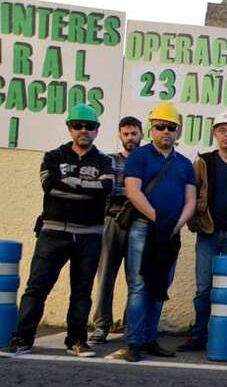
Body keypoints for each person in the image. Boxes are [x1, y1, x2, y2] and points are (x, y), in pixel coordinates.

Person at [0, 104, 113, 358]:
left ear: (97, 130)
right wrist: (88, 187)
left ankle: (77, 340)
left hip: (90, 234)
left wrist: (71, 184)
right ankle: (22, 339)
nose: (83, 130)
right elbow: (50, 186)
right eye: (78, 126)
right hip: (53, 232)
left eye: (89, 126)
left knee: (82, 290)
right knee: (37, 287)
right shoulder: (53, 156)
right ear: (69, 128)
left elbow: (104, 190)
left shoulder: (104, 161)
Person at [122, 102, 196, 363]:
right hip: (143, 229)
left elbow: (191, 200)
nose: (166, 132)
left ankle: (150, 339)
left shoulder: (185, 164)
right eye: (160, 127)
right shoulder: (139, 156)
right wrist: (158, 219)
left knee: (160, 286)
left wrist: (175, 225)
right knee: (140, 285)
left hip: (170, 233)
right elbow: (133, 191)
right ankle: (133, 342)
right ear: (151, 129)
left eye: (171, 128)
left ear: (177, 132)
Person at [178, 112, 227, 352]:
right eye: (222, 130)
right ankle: (198, 336)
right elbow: (191, 193)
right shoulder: (203, 161)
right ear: (215, 134)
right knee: (204, 287)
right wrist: (193, 222)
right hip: (208, 233)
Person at [89, 116, 143, 343]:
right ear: (120, 136)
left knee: (137, 279)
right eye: (126, 134)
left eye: (134, 133)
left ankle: (132, 326)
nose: (130, 138)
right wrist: (131, 193)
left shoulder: (146, 160)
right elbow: (106, 190)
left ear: (142, 134)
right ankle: (101, 326)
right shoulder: (109, 161)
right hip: (112, 220)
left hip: (139, 223)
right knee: (105, 276)